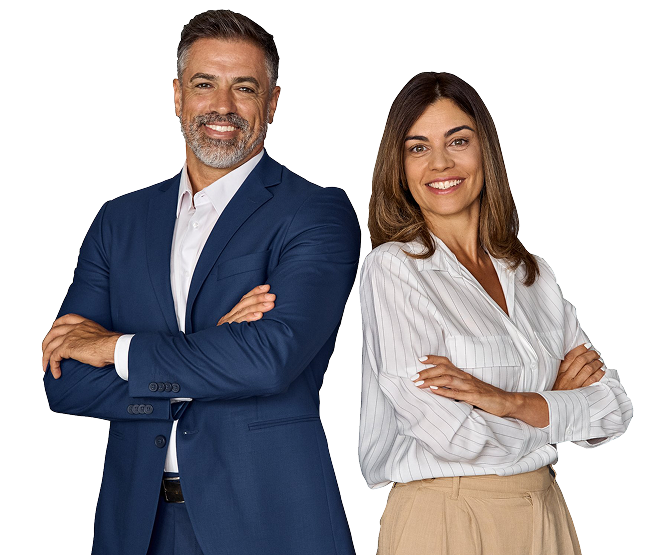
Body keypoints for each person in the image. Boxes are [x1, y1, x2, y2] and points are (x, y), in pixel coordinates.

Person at [41, 9, 359, 555]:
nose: (223, 106)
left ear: (273, 102)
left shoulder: (316, 212)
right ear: (177, 95)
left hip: (269, 523)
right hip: (137, 528)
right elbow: (64, 380)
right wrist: (217, 351)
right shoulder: (119, 220)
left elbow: (270, 359)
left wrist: (116, 350)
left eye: (245, 88)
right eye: (204, 84)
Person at [358, 71, 633, 555]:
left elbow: (614, 409)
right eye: (418, 147)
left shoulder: (533, 274)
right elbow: (453, 436)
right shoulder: (394, 269)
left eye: (458, 141)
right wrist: (555, 404)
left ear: (485, 149)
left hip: (546, 510)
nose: (440, 163)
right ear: (398, 167)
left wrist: (508, 402)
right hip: (448, 515)